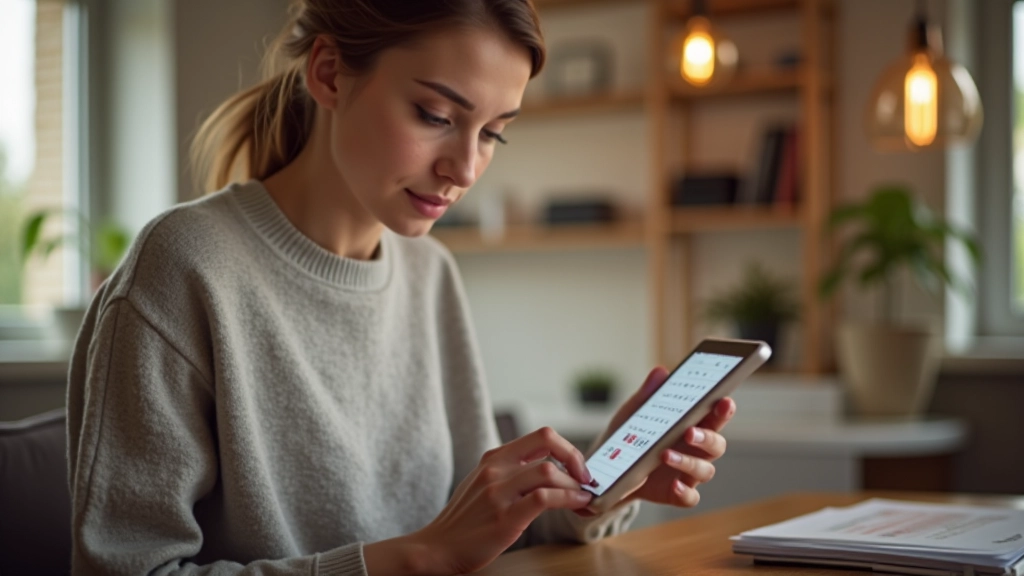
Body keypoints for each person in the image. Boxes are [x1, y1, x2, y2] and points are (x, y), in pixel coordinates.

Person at [66, 1, 737, 574]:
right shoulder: (183, 268)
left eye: (494, 134)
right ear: (329, 74)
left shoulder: (430, 274)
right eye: (435, 114)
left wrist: (605, 482)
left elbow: (473, 534)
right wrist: (416, 558)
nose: (466, 167)